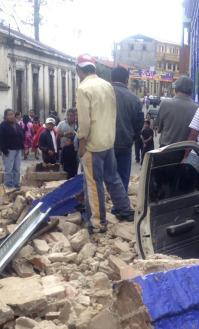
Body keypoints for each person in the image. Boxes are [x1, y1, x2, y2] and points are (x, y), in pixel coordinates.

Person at [75, 53, 134, 233]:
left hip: (93, 144)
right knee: (113, 178)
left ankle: (98, 223)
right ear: (94, 68)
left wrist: (82, 143)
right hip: (109, 141)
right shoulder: (107, 85)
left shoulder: (83, 88)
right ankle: (125, 210)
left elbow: (84, 122)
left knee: (94, 183)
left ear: (79, 70)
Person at [111, 66, 144, 192]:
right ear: (127, 80)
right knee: (123, 177)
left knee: (106, 176)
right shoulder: (134, 99)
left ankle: (102, 206)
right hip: (125, 143)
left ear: (111, 78)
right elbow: (140, 121)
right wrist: (134, 136)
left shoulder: (104, 94)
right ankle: (119, 208)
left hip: (106, 144)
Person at [157, 76, 199, 147]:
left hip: (165, 150)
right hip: (186, 152)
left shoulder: (165, 104)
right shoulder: (197, 109)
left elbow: (159, 128)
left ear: (175, 89)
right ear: (191, 92)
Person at [0, 108, 24, 189]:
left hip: (17, 150)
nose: (11, 116)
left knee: (17, 170)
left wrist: (22, 147)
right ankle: (8, 187)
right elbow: (0, 139)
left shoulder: (17, 124)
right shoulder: (3, 126)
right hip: (9, 151)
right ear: (5, 116)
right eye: (9, 115)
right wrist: (4, 150)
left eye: (12, 114)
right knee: (9, 170)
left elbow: (20, 136)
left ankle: (16, 186)